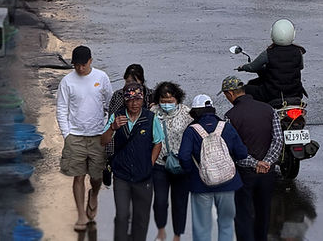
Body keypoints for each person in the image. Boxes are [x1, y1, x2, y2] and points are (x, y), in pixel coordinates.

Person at [178, 94, 265, 241]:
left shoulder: (191, 131)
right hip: (228, 183)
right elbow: (242, 153)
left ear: (195, 112)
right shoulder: (227, 127)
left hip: (201, 185)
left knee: (202, 227)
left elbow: (183, 156)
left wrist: (191, 172)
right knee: (226, 224)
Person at [56, 45, 113, 231]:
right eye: (76, 65)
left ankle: (94, 194)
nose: (80, 68)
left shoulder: (101, 77)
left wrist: (106, 128)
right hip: (76, 136)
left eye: (83, 64)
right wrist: (67, 134)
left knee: (97, 176)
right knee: (78, 175)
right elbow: (62, 108)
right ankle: (81, 214)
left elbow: (109, 103)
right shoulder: (67, 81)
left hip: (97, 135)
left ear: (90, 61)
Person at [220, 77, 283, 241]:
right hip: (268, 173)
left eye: (226, 95)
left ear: (231, 93)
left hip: (243, 174)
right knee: (263, 212)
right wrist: (267, 162)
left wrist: (254, 163)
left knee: (243, 214)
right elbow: (278, 139)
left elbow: (231, 148)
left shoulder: (230, 116)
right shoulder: (269, 109)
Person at [101, 81, 164, 241]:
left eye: (138, 99)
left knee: (141, 218)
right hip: (121, 175)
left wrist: (149, 163)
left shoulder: (151, 118)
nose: (134, 103)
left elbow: (158, 142)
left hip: (144, 177)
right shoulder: (117, 117)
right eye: (130, 100)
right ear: (125, 101)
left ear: (143, 100)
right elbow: (103, 141)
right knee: (122, 216)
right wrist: (112, 128)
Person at [150, 82, 192, 241]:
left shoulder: (187, 114)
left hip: (181, 165)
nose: (167, 104)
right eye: (164, 101)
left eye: (170, 100)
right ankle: (161, 230)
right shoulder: (153, 112)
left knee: (180, 202)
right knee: (160, 201)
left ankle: (177, 235)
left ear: (177, 98)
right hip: (160, 164)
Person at [240, 20, 305, 106]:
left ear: (272, 34)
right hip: (295, 92)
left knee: (245, 89)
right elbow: (301, 67)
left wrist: (243, 67)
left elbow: (253, 67)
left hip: (272, 94)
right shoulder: (298, 52)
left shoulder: (268, 53)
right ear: (293, 34)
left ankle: (252, 117)